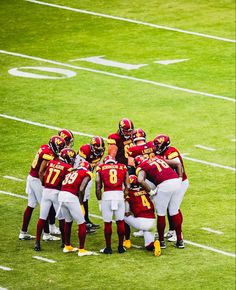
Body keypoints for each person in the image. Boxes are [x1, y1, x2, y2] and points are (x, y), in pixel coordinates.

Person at [19, 136, 66, 241]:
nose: (60, 150)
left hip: (31, 177)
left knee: (31, 205)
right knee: (46, 207)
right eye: (59, 147)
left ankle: (23, 232)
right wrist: (45, 184)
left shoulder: (45, 147)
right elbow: (41, 171)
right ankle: (46, 234)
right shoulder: (48, 154)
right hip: (37, 180)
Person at [135, 155, 184, 249]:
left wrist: (150, 191)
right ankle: (180, 240)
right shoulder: (157, 158)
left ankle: (161, 241)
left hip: (165, 185)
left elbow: (140, 180)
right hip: (176, 182)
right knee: (174, 211)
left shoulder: (142, 166)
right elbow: (177, 163)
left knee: (161, 214)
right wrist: (180, 177)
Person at [34, 148, 76, 251]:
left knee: (42, 217)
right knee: (62, 218)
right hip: (56, 193)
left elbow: (42, 172)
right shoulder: (67, 167)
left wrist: (44, 184)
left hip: (46, 191)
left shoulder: (51, 162)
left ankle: (37, 242)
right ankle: (64, 241)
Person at [153, 134, 189, 242]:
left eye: (158, 145)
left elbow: (178, 166)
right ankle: (173, 230)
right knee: (169, 207)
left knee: (174, 208)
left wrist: (179, 179)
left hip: (180, 182)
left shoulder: (171, 152)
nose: (156, 147)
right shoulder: (160, 152)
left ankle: (179, 234)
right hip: (170, 183)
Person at [58, 161, 97, 256]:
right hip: (71, 197)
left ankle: (67, 246)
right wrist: (81, 203)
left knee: (68, 221)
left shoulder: (72, 172)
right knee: (82, 222)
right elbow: (81, 189)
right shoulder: (87, 173)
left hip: (61, 196)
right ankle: (82, 249)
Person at [96, 155, 130, 254]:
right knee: (120, 221)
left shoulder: (101, 167)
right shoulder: (122, 167)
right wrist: (124, 196)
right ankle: (120, 247)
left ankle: (108, 248)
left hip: (107, 195)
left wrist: (99, 201)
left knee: (107, 222)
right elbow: (127, 185)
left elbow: (98, 186)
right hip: (119, 195)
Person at [127, 128, 156, 238]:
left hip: (144, 179)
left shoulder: (132, 150)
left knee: (141, 203)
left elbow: (131, 166)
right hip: (157, 176)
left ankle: (144, 228)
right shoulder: (152, 144)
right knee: (155, 206)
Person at [74, 136, 105, 233]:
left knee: (85, 198)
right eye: (97, 150)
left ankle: (86, 220)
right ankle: (82, 223)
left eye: (101, 150)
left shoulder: (100, 152)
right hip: (80, 176)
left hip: (88, 175)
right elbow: (77, 167)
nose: (99, 152)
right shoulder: (85, 150)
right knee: (81, 199)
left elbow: (97, 166)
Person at [123, 175, 161, 256]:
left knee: (122, 217)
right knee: (148, 246)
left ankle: (127, 240)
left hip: (141, 222)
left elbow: (126, 211)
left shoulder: (129, 193)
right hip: (153, 221)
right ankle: (155, 244)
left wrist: (130, 212)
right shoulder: (146, 190)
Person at [47, 129, 75, 235]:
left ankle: (51, 227)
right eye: (67, 141)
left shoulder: (56, 151)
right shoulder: (52, 153)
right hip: (51, 184)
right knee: (52, 207)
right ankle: (50, 227)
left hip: (52, 182)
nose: (68, 144)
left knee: (52, 206)